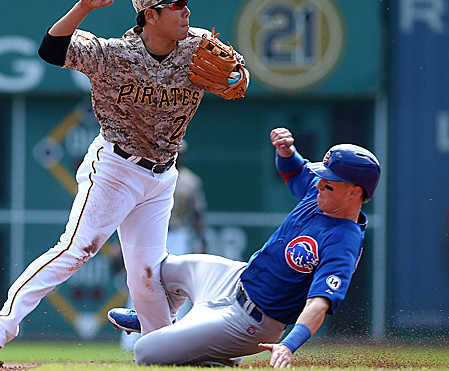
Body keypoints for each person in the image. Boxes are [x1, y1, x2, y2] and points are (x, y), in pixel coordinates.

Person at [0, 0, 248, 366]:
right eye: (175, 6)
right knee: (76, 250)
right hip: (116, 168)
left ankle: (169, 347)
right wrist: (84, 7)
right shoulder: (114, 54)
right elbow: (52, 49)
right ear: (150, 16)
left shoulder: (198, 45)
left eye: (186, 3)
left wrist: (237, 77)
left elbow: (239, 79)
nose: (186, 11)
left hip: (162, 175)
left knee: (148, 274)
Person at [107, 127, 381, 368]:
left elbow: (319, 303)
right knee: (159, 270)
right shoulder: (321, 192)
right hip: (235, 279)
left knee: (145, 352)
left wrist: (289, 344)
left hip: (253, 322)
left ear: (354, 192)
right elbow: (295, 171)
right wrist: (286, 152)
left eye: (328, 183)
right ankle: (155, 319)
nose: (319, 184)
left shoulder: (343, 242)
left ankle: (216, 356)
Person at [119, 140, 207, 349]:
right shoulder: (153, 175)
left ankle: (176, 336)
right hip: (153, 233)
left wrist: (201, 240)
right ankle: (131, 338)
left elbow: (198, 215)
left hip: (178, 234)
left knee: (178, 286)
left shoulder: (190, 181)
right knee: (142, 280)